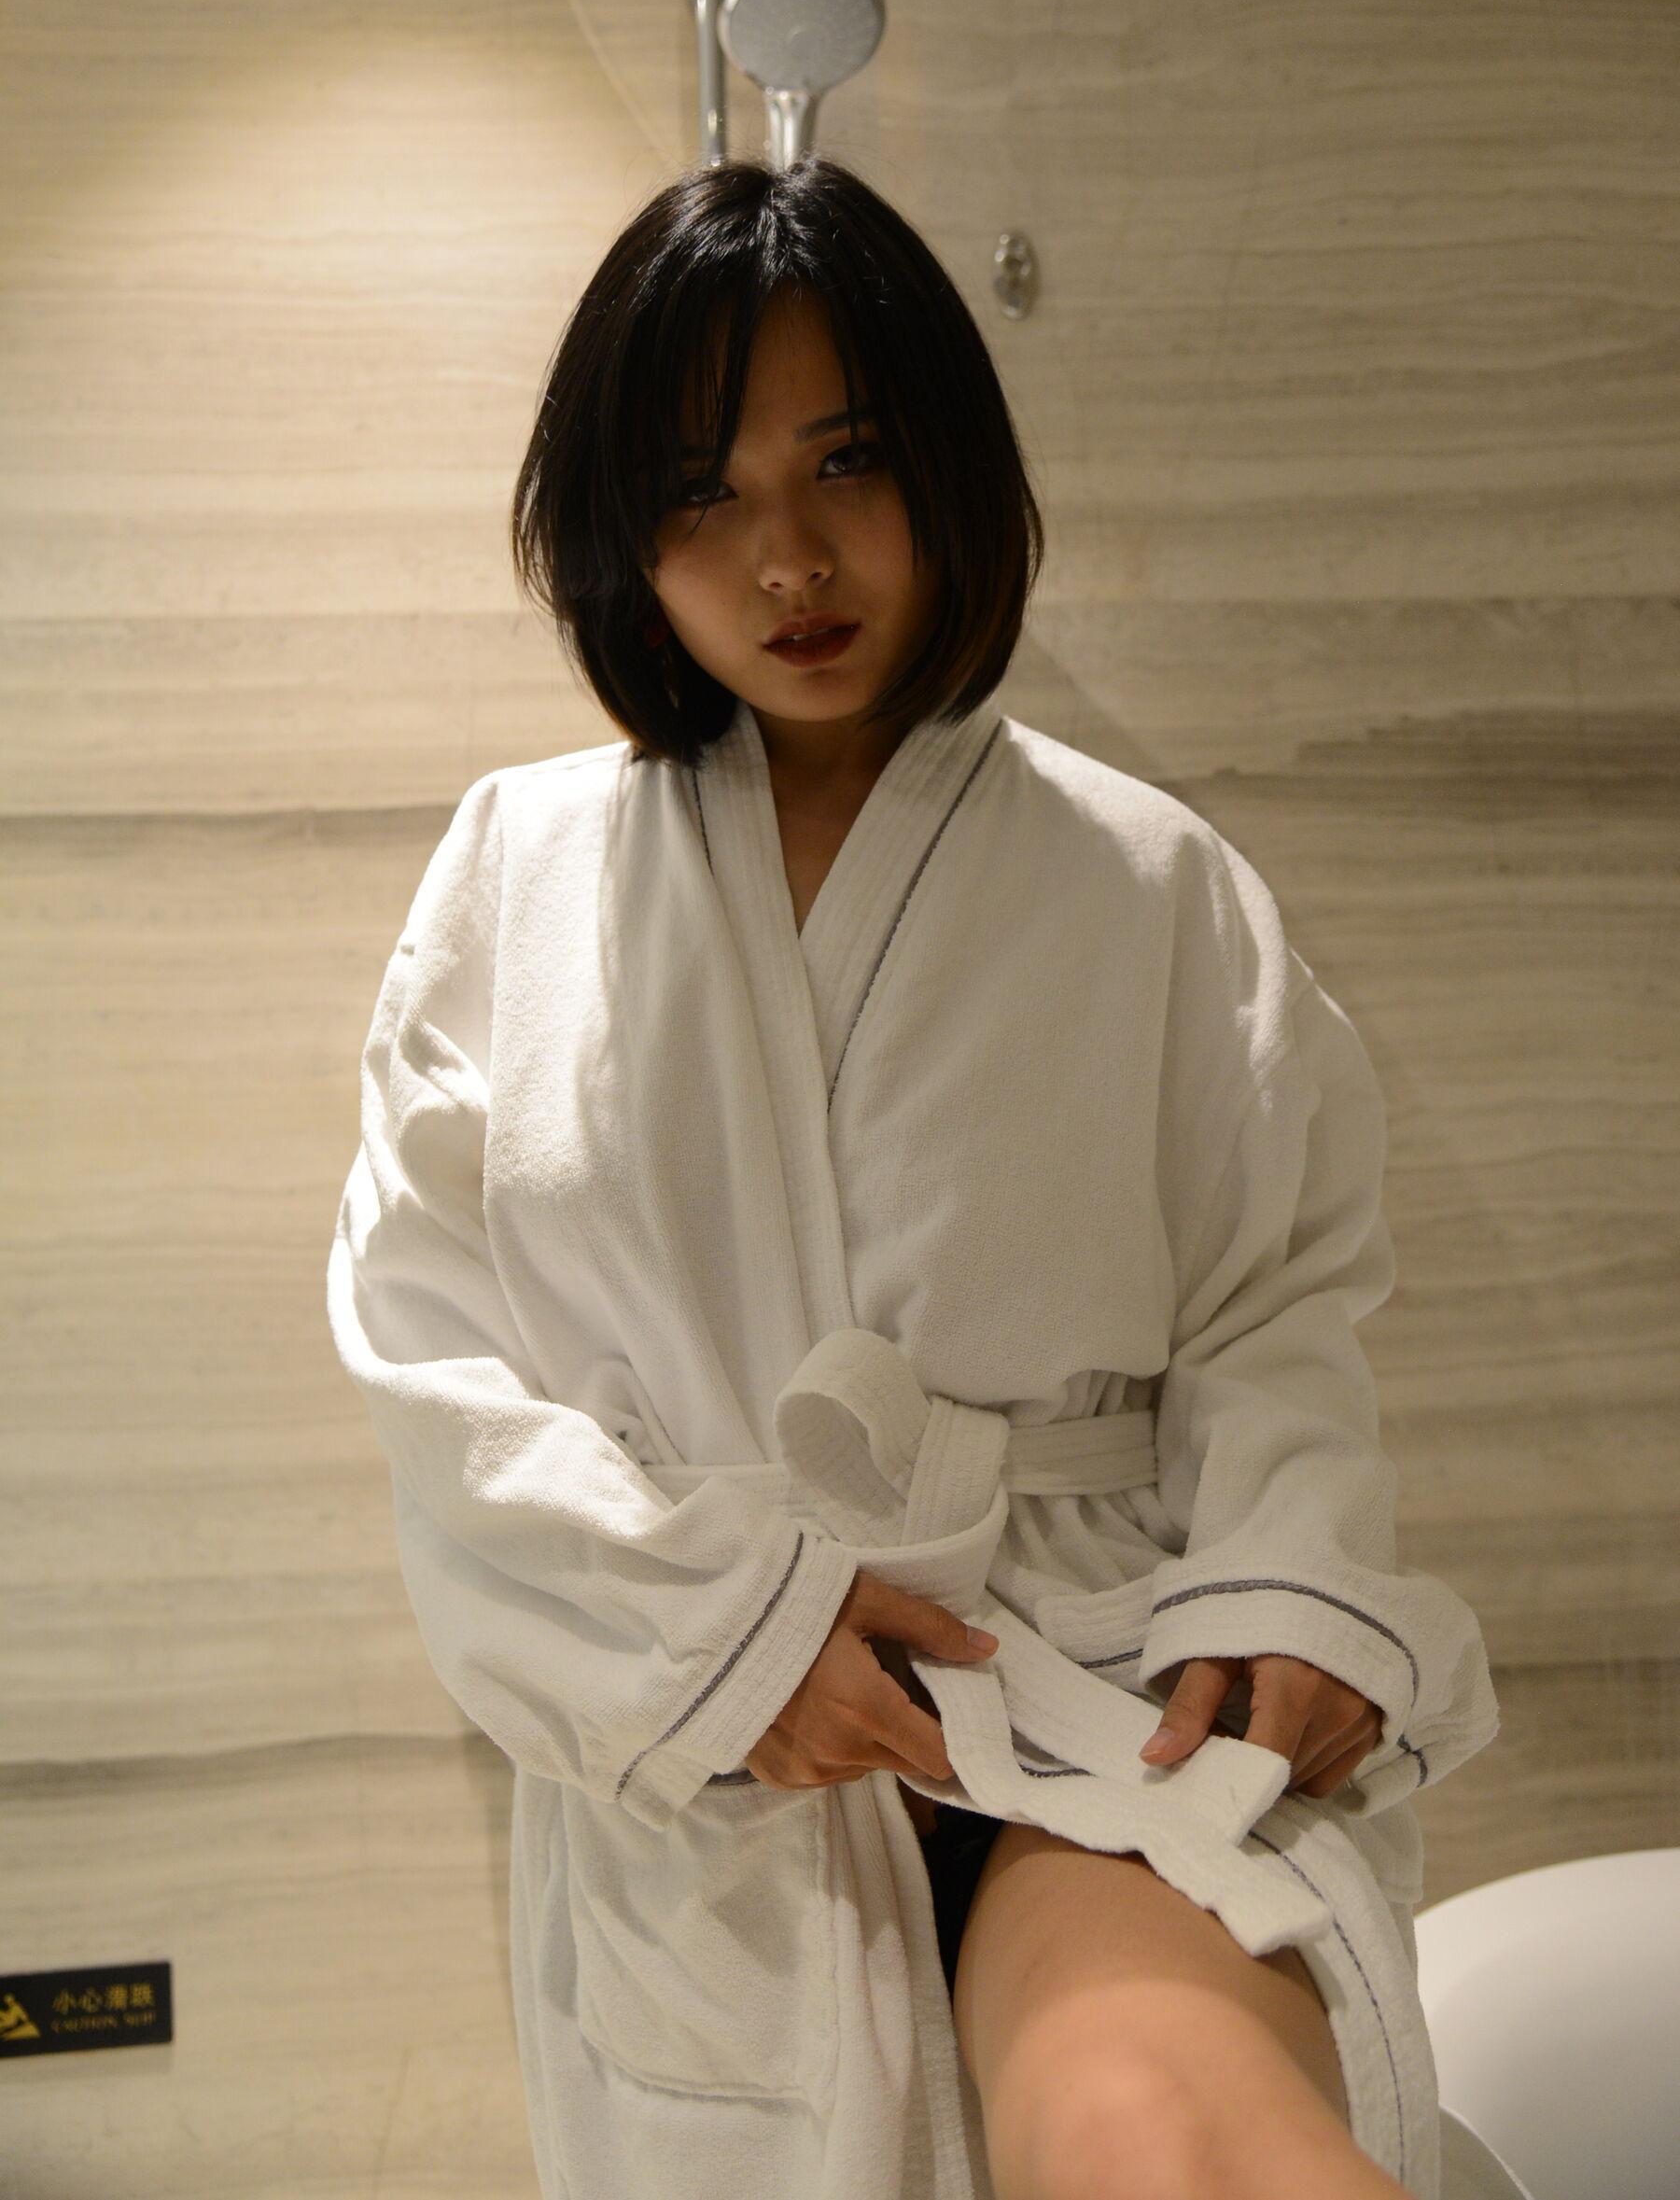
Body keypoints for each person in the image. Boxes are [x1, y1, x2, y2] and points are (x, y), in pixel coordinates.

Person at [326, 155, 1499, 2200]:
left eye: (847, 459)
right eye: (700, 493)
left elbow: (1276, 1296)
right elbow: (433, 1359)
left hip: (1098, 1682)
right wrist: (713, 1634)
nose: (788, 557)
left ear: (950, 461)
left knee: (1167, 2134)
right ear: (616, 536)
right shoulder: (516, 876)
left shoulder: (1148, 879)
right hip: (735, 1739)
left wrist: (1285, 1578)